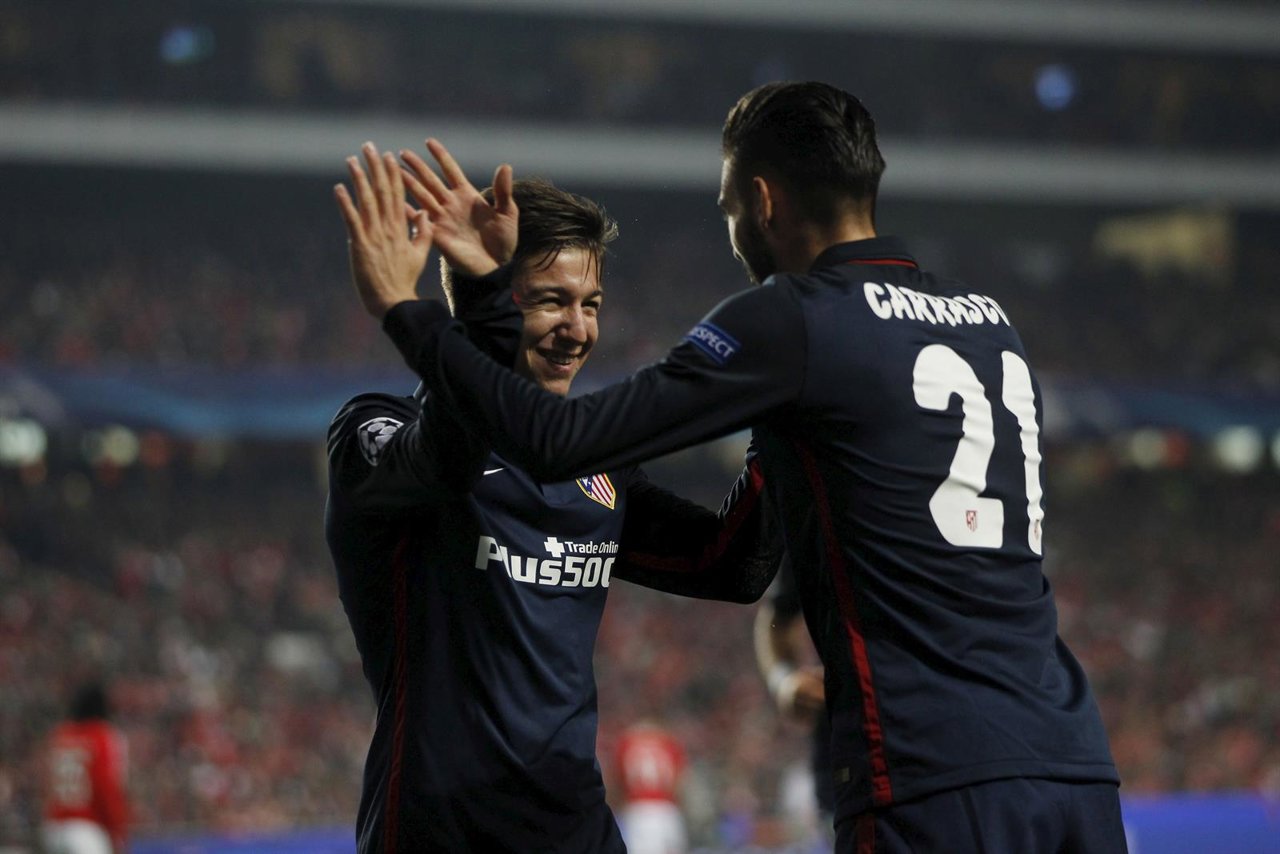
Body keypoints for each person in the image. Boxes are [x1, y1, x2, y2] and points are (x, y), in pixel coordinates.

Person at [360, 81, 1127, 852]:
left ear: (761, 201)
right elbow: (727, 558)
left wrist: (406, 309)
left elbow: (567, 449)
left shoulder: (794, 318)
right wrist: (781, 422)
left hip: (929, 771)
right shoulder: (993, 327)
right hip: (1073, 763)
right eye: (550, 301)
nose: (577, 327)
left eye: (727, 209)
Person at [328, 142, 778, 852]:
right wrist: (477, 299)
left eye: (590, 304)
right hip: (441, 831)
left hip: (576, 831)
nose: (579, 330)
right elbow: (451, 455)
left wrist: (787, 420)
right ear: (492, 303)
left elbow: (729, 566)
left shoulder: (596, 468)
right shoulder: (372, 433)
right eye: (551, 302)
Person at [753, 557, 833, 842]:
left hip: (951, 752)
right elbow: (777, 615)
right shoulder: (825, 517)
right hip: (849, 755)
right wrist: (783, 680)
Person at [42, 682, 129, 854]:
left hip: (54, 827)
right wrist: (117, 830)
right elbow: (106, 785)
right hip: (87, 829)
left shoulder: (60, 735)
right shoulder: (103, 735)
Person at [613, 720, 688, 854]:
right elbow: (680, 781)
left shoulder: (627, 742)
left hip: (638, 810)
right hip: (667, 809)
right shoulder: (669, 743)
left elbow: (617, 780)